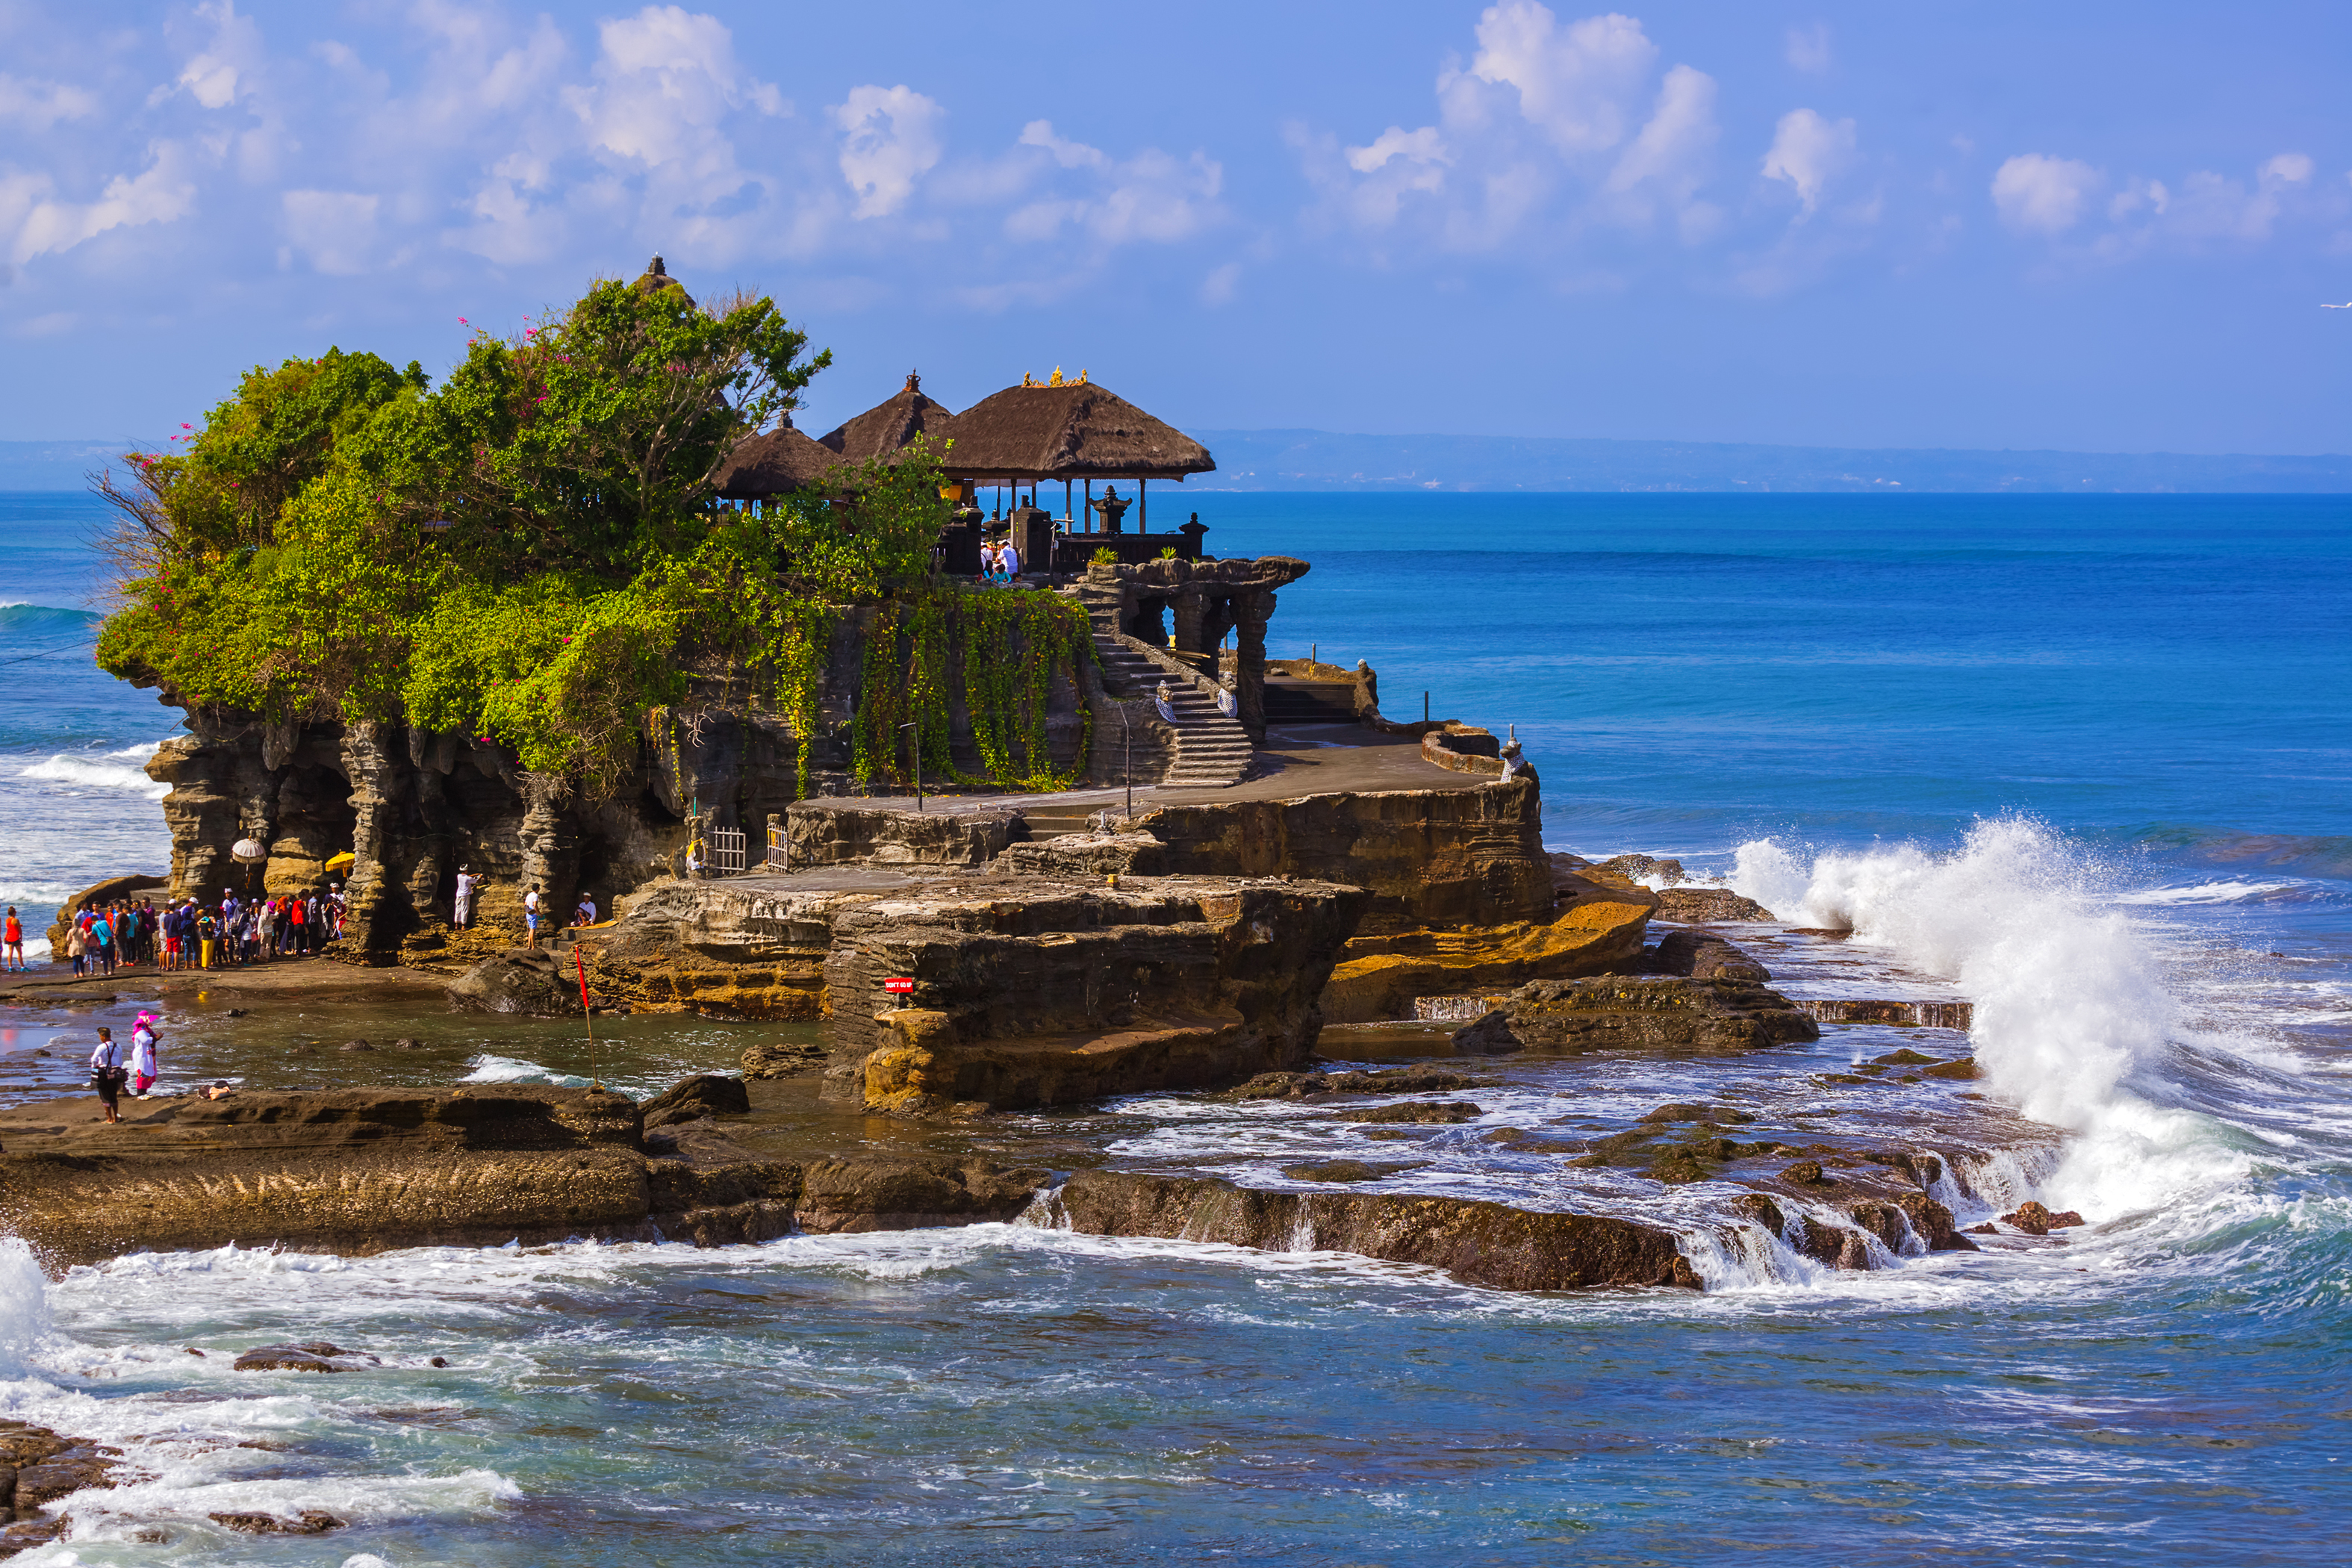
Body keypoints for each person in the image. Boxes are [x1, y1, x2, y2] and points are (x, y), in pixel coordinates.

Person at [88, 1027, 126, 1124]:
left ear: (104, 1036)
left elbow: (94, 1059)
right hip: (116, 1073)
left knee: (105, 1096)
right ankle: (116, 1117)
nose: (100, 1038)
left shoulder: (102, 1047)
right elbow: (120, 1060)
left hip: (105, 1074)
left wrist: (94, 1067)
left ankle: (110, 1119)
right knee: (114, 1096)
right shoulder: (118, 1046)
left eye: (100, 1036)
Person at [129, 1012, 160, 1097]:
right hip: (141, 1054)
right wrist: (156, 1038)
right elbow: (146, 1041)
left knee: (147, 1072)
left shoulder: (146, 1030)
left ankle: (144, 1093)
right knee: (143, 1073)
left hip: (146, 1053)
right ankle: (140, 1094)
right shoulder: (141, 1032)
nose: (151, 1022)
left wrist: (156, 1038)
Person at [454, 865, 479, 929]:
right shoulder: (468, 878)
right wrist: (480, 876)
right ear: (466, 870)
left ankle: (456, 925)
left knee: (458, 909)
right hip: (465, 895)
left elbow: (467, 877)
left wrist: (475, 874)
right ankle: (463, 925)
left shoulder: (459, 876)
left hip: (459, 895)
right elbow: (477, 881)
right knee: (464, 909)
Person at [2, 906, 21, 971]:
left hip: (9, 938)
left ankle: (10, 967)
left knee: (10, 952)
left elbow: (9, 928)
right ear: (13, 913)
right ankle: (22, 967)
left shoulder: (7, 920)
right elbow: (19, 930)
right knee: (19, 953)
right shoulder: (16, 920)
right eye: (15, 912)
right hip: (15, 938)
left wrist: (5, 937)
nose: (16, 913)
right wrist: (21, 937)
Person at [523, 886, 541, 950]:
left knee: (530, 930)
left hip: (528, 914)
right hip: (533, 914)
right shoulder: (535, 895)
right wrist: (538, 913)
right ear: (538, 889)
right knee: (533, 930)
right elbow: (535, 905)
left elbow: (525, 904)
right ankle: (533, 946)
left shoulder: (529, 895)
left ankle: (529, 945)